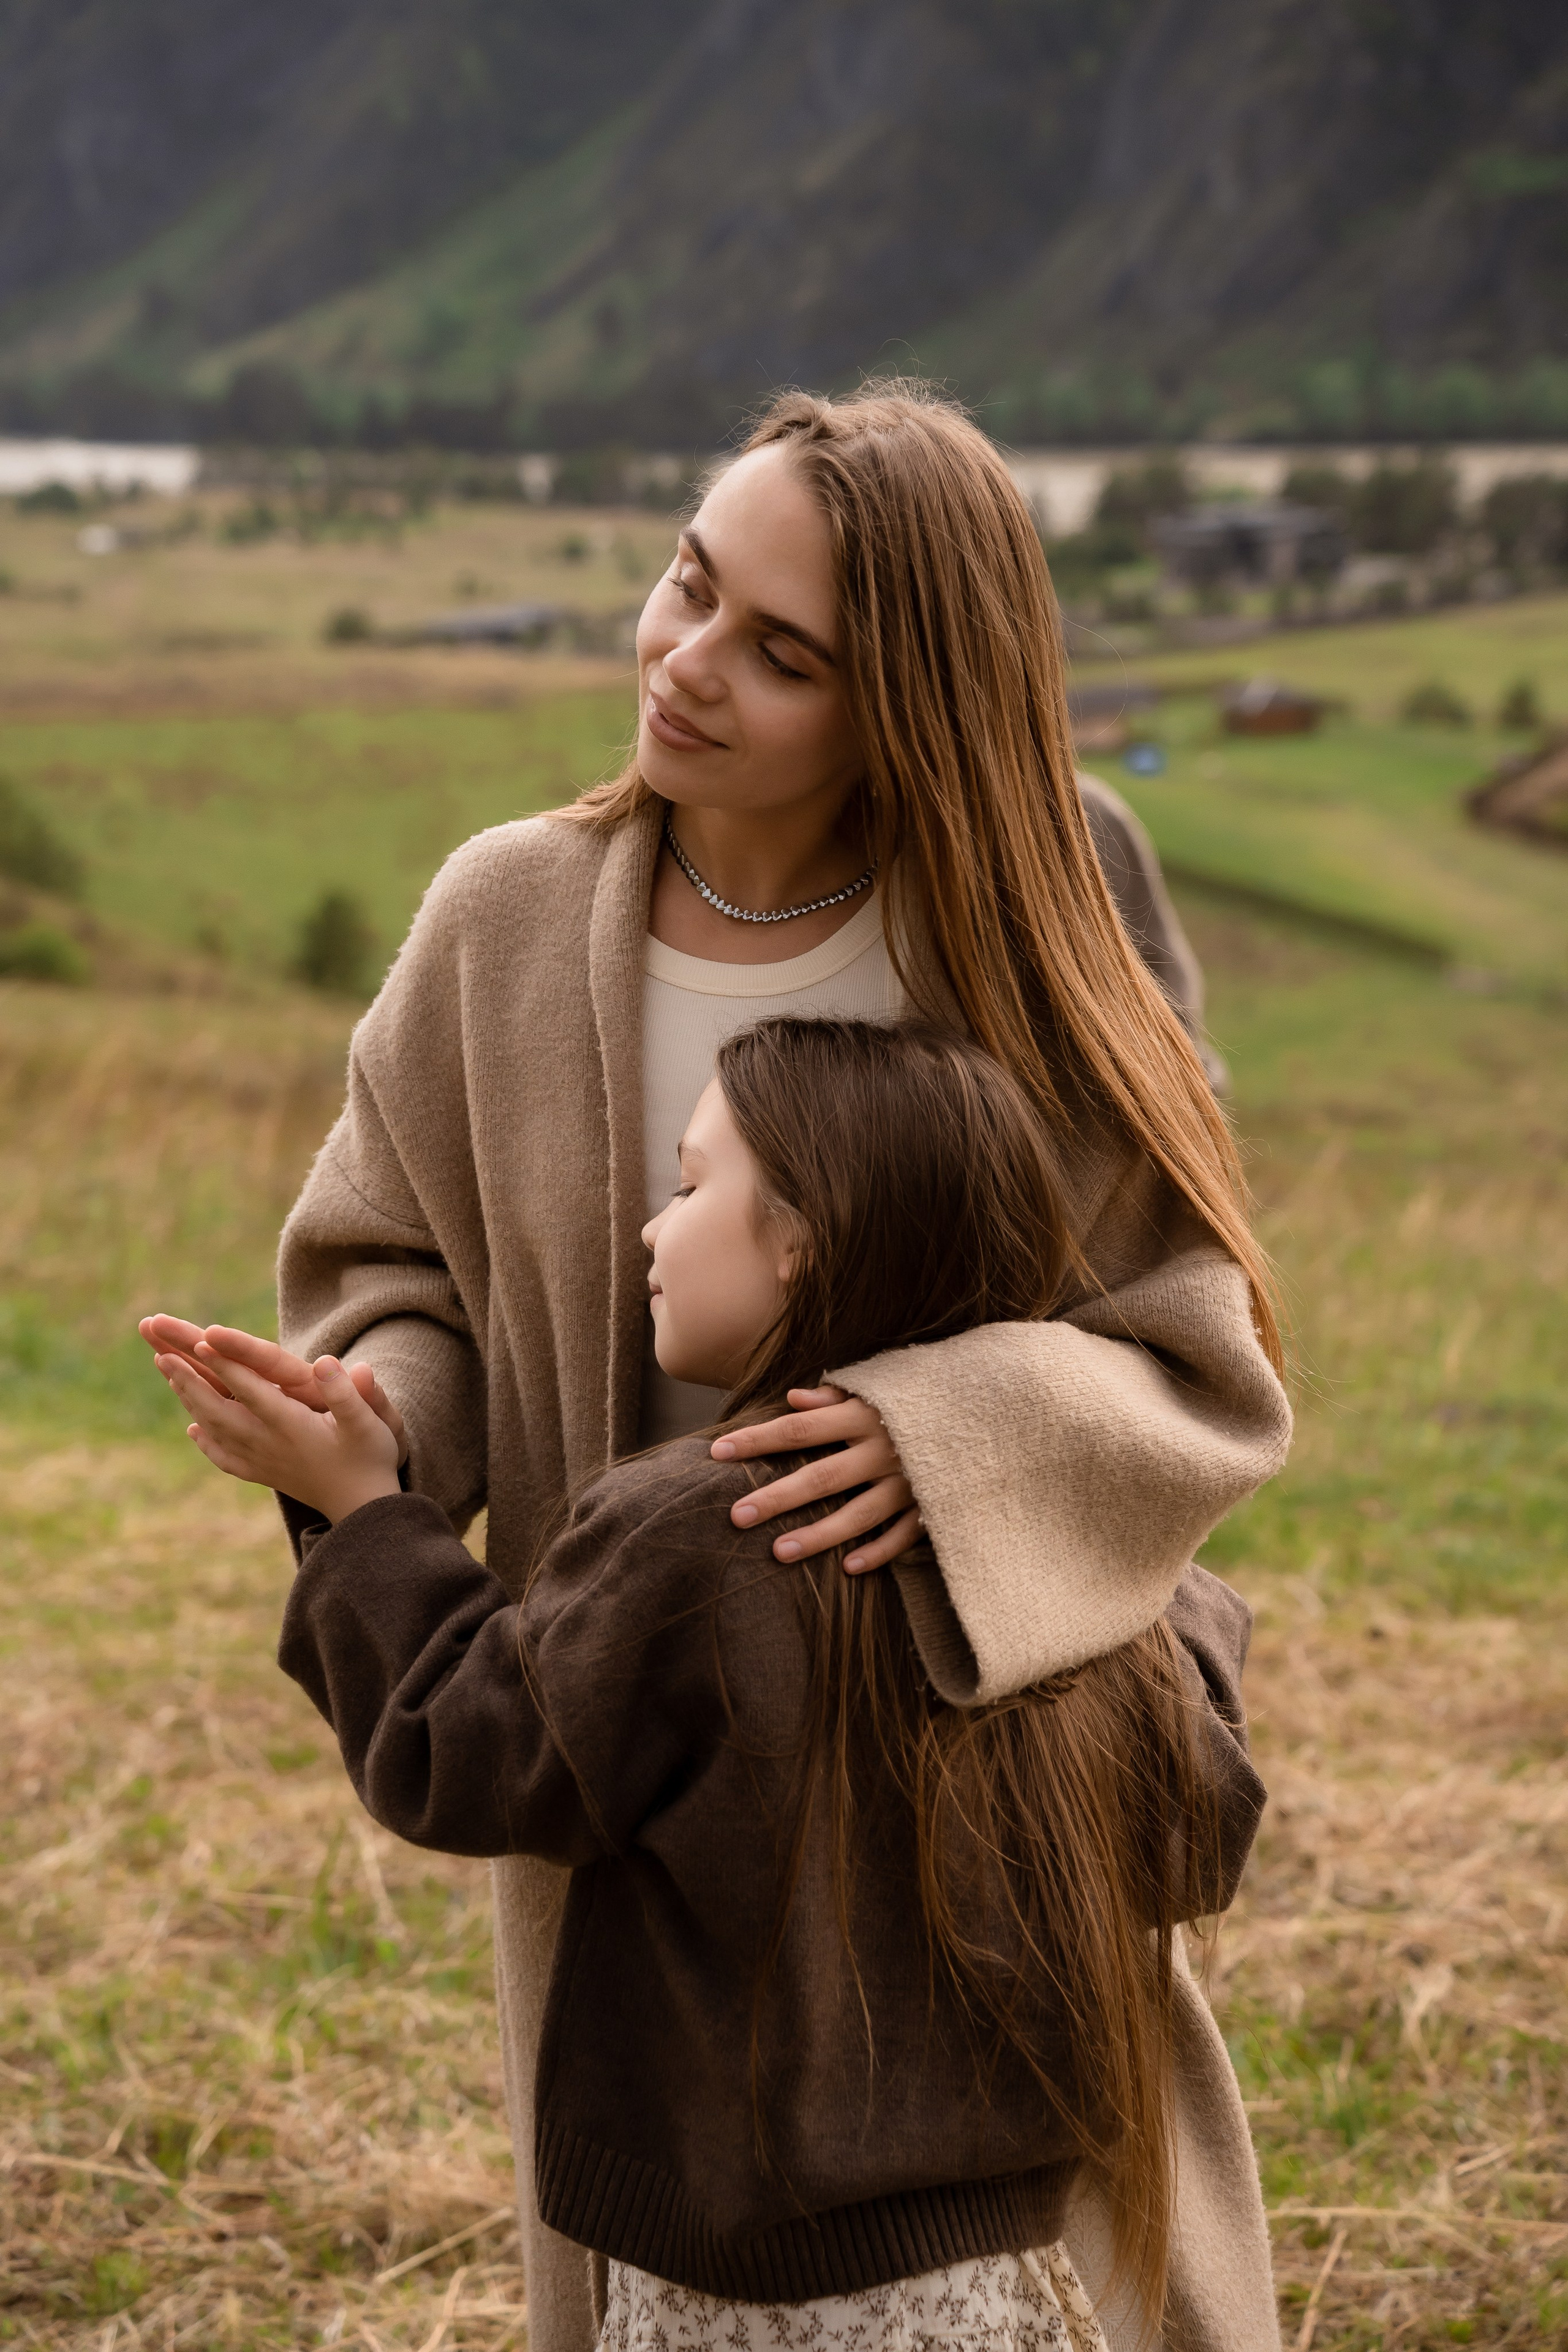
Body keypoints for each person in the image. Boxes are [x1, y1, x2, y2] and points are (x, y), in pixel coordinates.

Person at [141, 382, 1291, 2348]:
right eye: (689, 585)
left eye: (783, 654)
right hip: (654, 1715)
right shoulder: (504, 917)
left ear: (909, 705)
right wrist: (385, 1418)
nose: (686, 666)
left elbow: (1193, 1346)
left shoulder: (1041, 915)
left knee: (1045, 2251)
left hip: (967, 1744)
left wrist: (950, 1436)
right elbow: (393, 1256)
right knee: (672, 2214)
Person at [150, 1016, 1267, 2350]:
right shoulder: (1076, 1588)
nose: (648, 1231)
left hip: (728, 2295)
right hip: (1003, 2281)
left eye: (688, 1187)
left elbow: (464, 1749)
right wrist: (1143, 1573)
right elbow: (1198, 1830)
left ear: (803, 1237)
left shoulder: (693, 1539)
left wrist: (363, 1510)